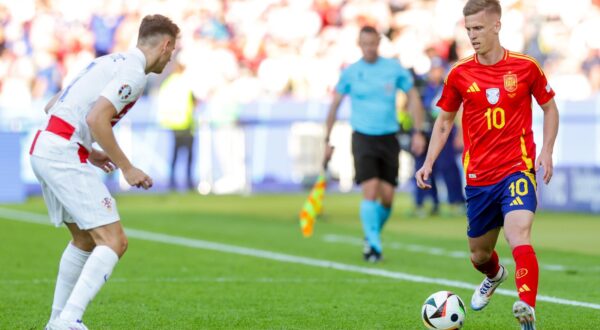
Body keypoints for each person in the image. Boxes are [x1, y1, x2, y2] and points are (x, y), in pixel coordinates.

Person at [29, 14, 179, 330]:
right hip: (62, 154)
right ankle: (69, 320)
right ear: (165, 45)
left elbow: (53, 104)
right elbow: (98, 118)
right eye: (172, 51)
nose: (170, 59)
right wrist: (127, 167)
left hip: (46, 146)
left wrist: (90, 150)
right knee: (114, 240)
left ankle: (57, 321)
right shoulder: (134, 74)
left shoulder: (107, 61)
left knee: (84, 239)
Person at [415, 1, 559, 329]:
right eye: (468, 30)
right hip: (479, 177)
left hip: (517, 169)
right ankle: (494, 276)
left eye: (478, 28)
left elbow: (550, 109)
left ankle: (527, 309)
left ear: (497, 26)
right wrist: (429, 162)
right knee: (479, 256)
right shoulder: (460, 74)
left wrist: (547, 151)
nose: (472, 36)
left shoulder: (526, 67)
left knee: (518, 232)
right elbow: (444, 122)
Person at [324, 25, 426, 262]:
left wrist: (418, 131)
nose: (369, 48)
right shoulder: (351, 72)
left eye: (373, 44)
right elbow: (335, 105)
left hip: (388, 137)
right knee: (370, 191)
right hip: (363, 137)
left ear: (378, 43)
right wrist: (327, 140)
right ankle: (374, 247)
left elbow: (412, 95)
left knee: (388, 197)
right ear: (359, 45)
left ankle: (371, 235)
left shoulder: (392, 68)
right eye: (365, 44)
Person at [412, 57, 465, 217]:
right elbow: (416, 109)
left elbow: (460, 109)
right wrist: (417, 132)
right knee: (423, 166)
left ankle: (456, 202)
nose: (436, 73)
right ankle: (427, 202)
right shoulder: (421, 87)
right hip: (425, 131)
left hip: (445, 131)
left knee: (447, 166)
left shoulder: (448, 87)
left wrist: (461, 133)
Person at [157, 59, 197, 191]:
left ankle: (172, 182)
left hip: (172, 123)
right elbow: (193, 101)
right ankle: (189, 182)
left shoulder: (167, 83)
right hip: (185, 123)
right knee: (189, 155)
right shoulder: (185, 83)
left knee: (174, 154)